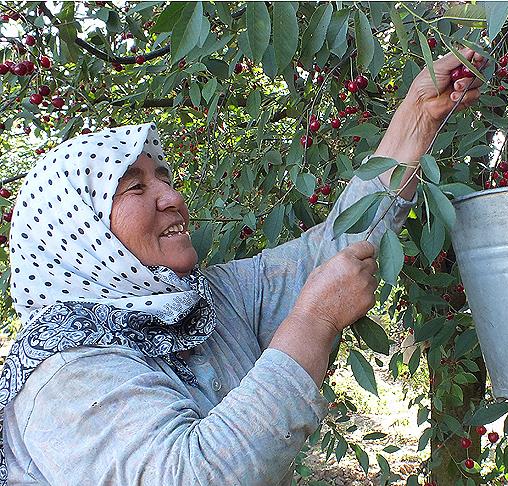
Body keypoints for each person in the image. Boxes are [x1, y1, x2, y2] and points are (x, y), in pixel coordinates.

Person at [0, 48, 483, 485]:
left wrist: (418, 116)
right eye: (135, 188)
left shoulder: (203, 302)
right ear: (80, 233)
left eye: (165, 178)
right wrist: (313, 321)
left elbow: (331, 249)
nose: (172, 197)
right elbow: (190, 476)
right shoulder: (63, 373)